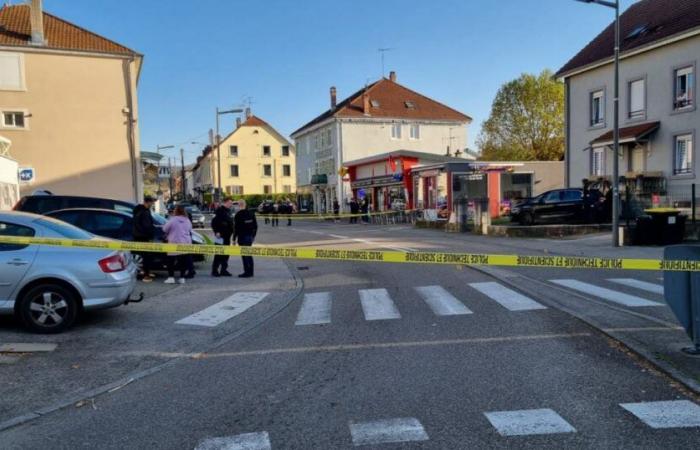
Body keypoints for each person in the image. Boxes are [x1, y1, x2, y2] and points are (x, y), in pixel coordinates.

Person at [162, 205, 193, 284]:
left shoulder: (173, 220)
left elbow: (165, 229)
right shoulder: (187, 220)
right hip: (185, 243)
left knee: (171, 261)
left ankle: (171, 277)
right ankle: (182, 277)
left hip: (174, 242)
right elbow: (189, 229)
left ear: (176, 211)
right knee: (183, 261)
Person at [133, 195, 157, 282]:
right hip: (144, 236)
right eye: (152, 202)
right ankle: (146, 276)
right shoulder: (145, 212)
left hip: (137, 235)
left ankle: (145, 272)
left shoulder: (138, 210)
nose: (153, 204)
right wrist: (151, 235)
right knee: (147, 256)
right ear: (148, 202)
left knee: (143, 255)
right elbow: (147, 226)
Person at [233, 199, 258, 278]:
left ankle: (247, 272)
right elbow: (255, 226)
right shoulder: (251, 213)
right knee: (249, 254)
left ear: (239, 205)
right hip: (250, 237)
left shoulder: (238, 215)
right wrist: (253, 236)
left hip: (242, 237)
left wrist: (234, 239)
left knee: (244, 255)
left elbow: (236, 228)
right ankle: (251, 271)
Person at [211, 198, 234, 277]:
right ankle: (215, 270)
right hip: (220, 236)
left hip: (227, 236)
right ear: (226, 202)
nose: (231, 205)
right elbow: (214, 223)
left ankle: (223, 270)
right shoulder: (219, 211)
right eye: (230, 203)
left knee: (226, 254)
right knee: (218, 254)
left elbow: (230, 222)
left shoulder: (228, 211)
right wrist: (216, 231)